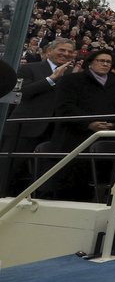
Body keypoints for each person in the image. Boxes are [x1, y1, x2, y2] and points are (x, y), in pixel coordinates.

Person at [48, 48, 115, 200]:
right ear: (90, 63)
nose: (105, 64)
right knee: (69, 187)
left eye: (108, 62)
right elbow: (65, 107)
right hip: (73, 138)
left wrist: (113, 123)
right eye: (101, 61)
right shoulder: (72, 80)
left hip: (105, 137)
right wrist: (89, 123)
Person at [1, 38, 77, 196]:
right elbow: (23, 92)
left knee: (42, 174)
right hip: (25, 129)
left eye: (70, 52)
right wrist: (51, 79)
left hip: (54, 131)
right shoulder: (28, 68)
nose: (66, 54)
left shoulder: (73, 74)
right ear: (49, 51)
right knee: (10, 171)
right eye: (62, 50)